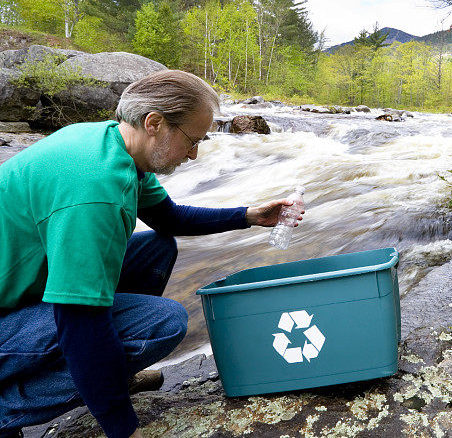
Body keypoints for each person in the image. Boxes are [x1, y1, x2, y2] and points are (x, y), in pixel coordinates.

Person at [0, 70, 302, 438]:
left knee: (156, 248)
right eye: (192, 140)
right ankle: (7, 408)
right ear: (154, 123)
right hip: (9, 319)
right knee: (163, 323)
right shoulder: (94, 190)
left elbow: (168, 218)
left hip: (17, 298)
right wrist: (122, 427)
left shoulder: (111, 145)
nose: (194, 154)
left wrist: (249, 216)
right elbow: (81, 321)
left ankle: (114, 375)